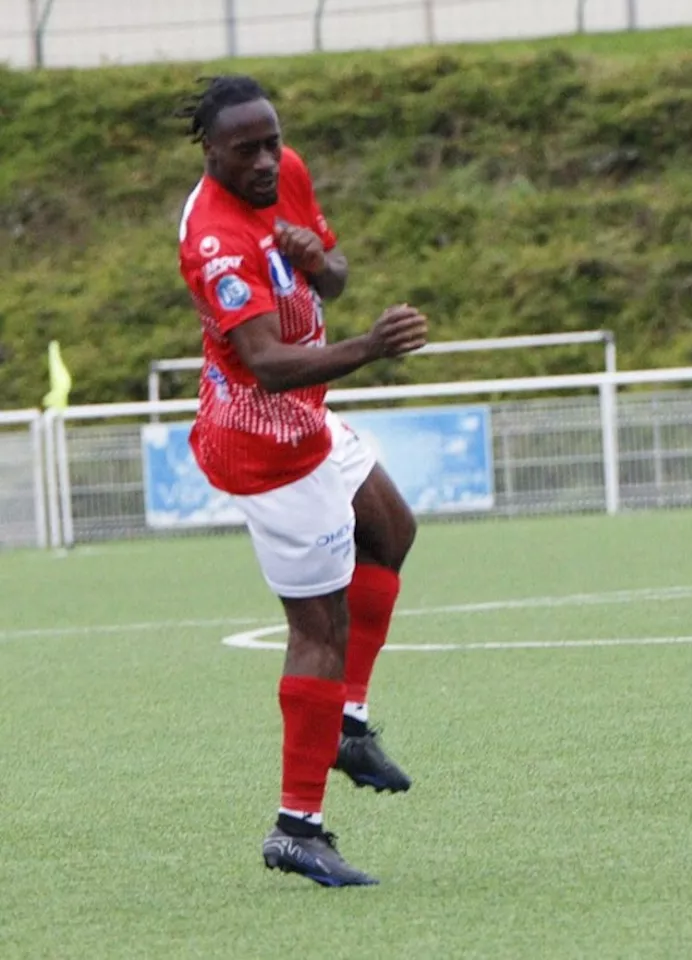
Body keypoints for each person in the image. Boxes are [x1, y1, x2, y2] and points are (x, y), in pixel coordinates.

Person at [176, 75, 428, 885]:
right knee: (318, 628)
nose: (265, 160)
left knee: (391, 530)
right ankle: (297, 827)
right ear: (209, 152)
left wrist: (322, 262)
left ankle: (347, 721)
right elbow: (267, 364)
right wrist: (369, 348)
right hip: (262, 444)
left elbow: (335, 275)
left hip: (306, 420)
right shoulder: (213, 238)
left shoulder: (286, 173)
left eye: (272, 141)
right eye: (245, 149)